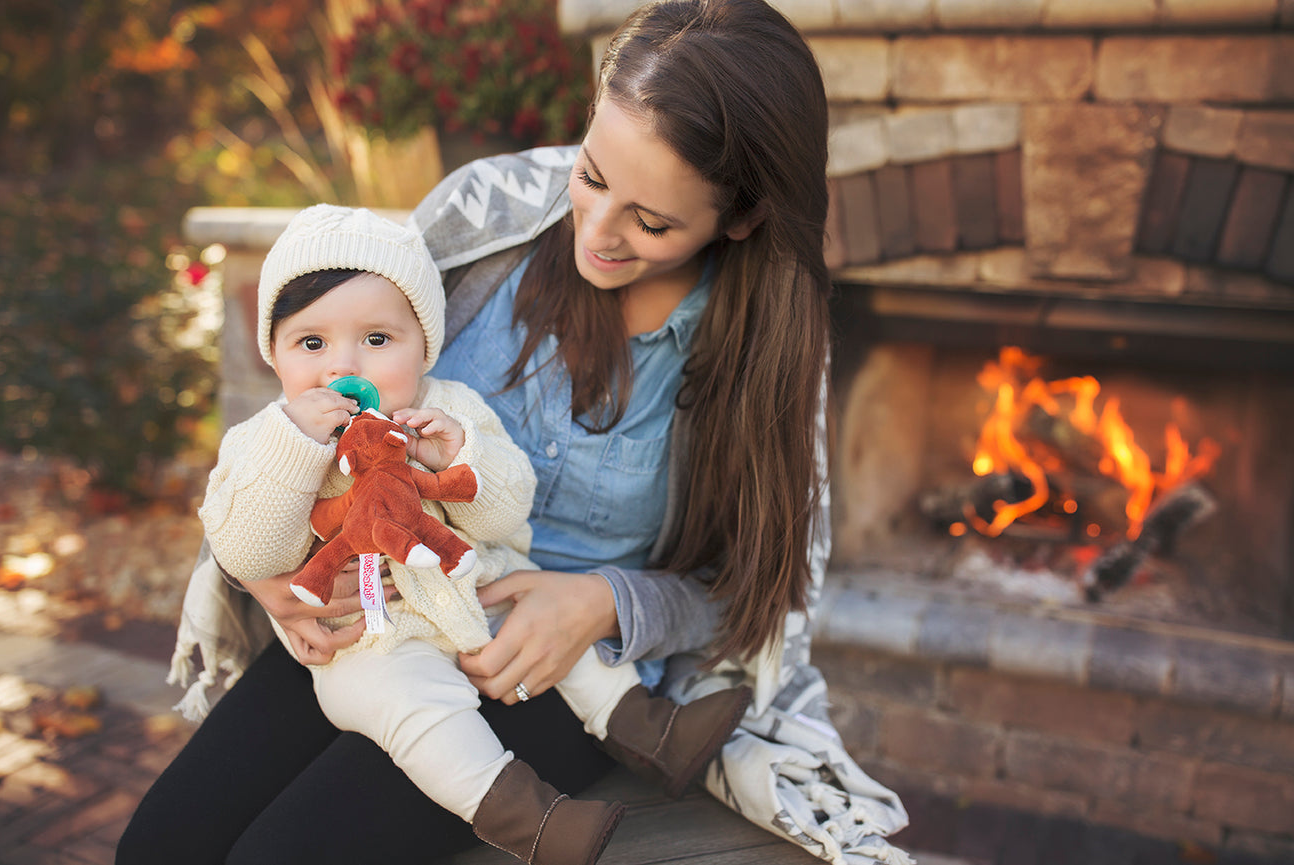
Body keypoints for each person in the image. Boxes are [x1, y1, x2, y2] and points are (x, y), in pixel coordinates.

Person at [118, 1, 910, 863]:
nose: (598, 233)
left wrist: (605, 600)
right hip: (381, 604)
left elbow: (756, 585)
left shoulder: (764, 348)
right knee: (160, 844)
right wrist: (269, 574)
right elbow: (319, 373)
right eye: (593, 175)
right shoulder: (484, 224)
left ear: (742, 217)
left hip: (550, 676)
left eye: (651, 222)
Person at [180, 202, 751, 864]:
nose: (341, 366)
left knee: (546, 629)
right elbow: (249, 548)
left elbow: (508, 509)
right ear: (273, 355)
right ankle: (530, 820)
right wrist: (292, 455)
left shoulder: (446, 408)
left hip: (471, 586)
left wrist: (459, 460)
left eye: (376, 340)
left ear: (424, 345)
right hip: (370, 639)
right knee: (423, 715)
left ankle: (653, 731)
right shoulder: (266, 440)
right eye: (311, 344)